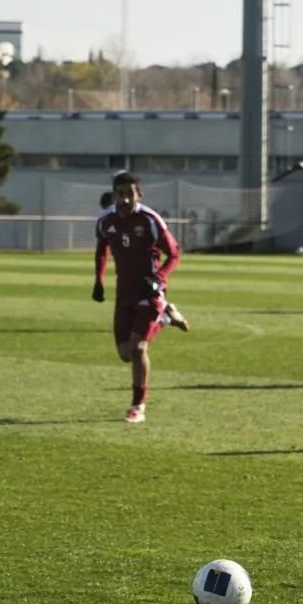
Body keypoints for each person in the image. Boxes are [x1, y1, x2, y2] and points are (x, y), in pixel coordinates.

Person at [92, 171, 189, 423]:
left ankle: (138, 406)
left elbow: (175, 254)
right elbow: (101, 250)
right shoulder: (105, 221)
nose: (124, 199)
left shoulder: (150, 220)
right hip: (123, 293)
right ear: (114, 195)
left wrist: (158, 278)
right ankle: (167, 316)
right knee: (124, 353)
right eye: (120, 194)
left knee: (137, 348)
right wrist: (98, 282)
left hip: (149, 292)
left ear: (139, 195)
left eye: (129, 194)